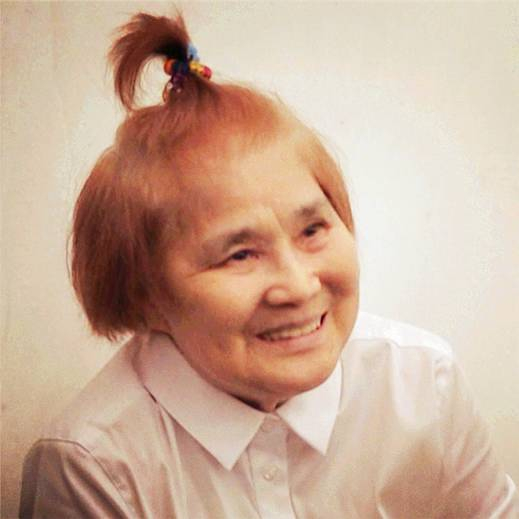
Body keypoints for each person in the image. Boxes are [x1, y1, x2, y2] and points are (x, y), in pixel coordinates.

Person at [19, 12, 518, 519]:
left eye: (313, 230)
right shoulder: (94, 466)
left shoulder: (423, 385)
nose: (299, 286)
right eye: (240, 254)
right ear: (146, 295)